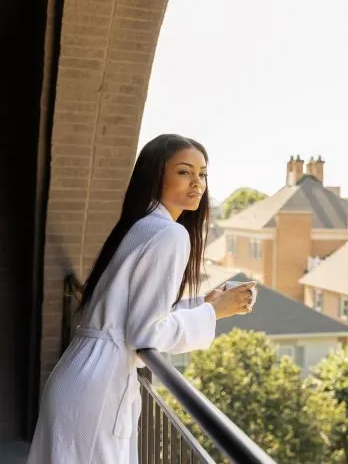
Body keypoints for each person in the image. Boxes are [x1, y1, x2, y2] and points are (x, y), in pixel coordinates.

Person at [27, 134, 256, 463]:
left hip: (79, 376)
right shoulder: (170, 234)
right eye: (184, 172)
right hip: (98, 387)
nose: (197, 183)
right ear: (156, 175)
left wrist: (201, 305)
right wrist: (212, 314)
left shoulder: (142, 225)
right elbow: (146, 332)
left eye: (202, 174)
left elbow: (128, 311)